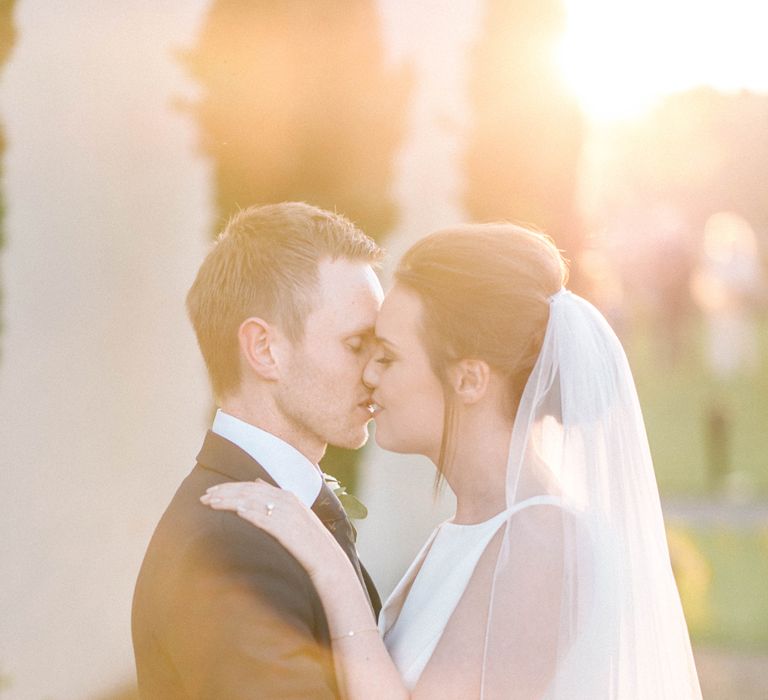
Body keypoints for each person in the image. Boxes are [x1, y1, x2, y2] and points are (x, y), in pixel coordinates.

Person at [202, 223, 703, 699]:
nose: (369, 375)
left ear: (468, 379)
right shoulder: (475, 529)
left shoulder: (544, 543)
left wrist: (329, 566)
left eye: (389, 356)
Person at [132, 202, 384, 699]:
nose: (376, 372)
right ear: (265, 349)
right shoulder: (227, 547)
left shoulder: (272, 517)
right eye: (357, 344)